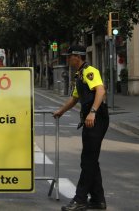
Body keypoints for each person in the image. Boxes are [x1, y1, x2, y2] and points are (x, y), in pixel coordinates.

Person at [53, 45, 108, 210]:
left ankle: (80, 199)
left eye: (69, 57)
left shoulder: (90, 71)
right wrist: (60, 112)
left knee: (88, 161)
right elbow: (74, 98)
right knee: (90, 160)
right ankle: (98, 200)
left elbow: (100, 90)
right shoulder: (79, 75)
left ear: (77, 56)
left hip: (96, 119)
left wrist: (92, 112)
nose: (68, 60)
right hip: (90, 120)